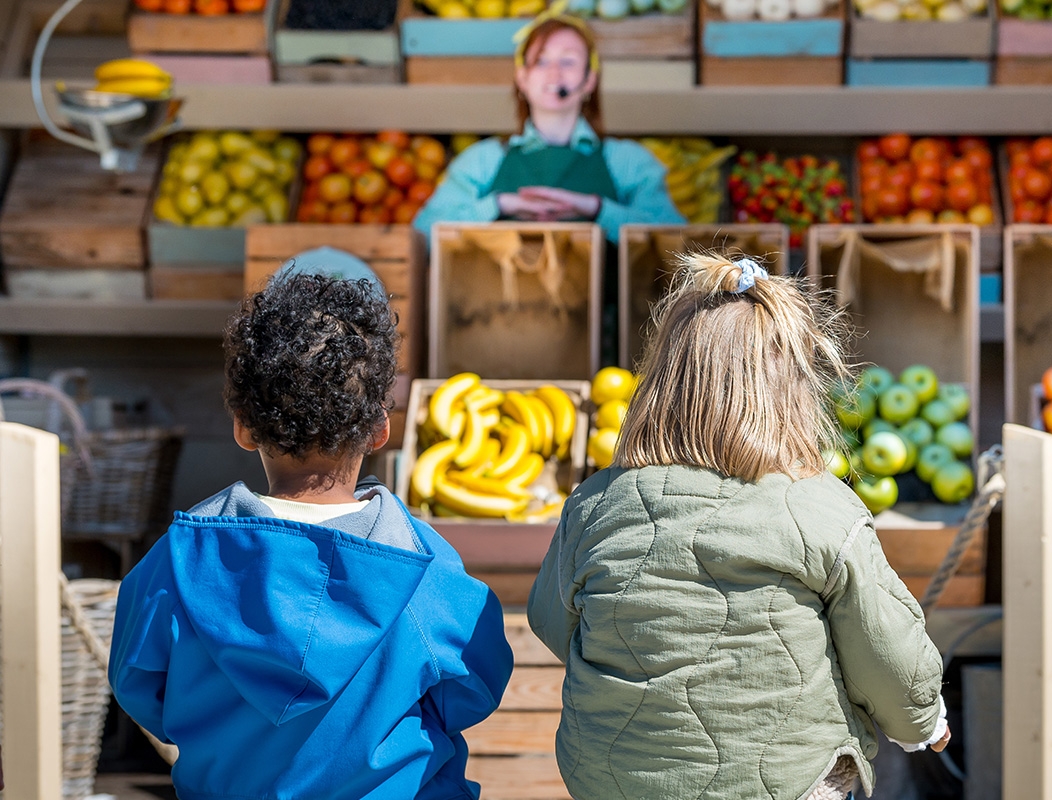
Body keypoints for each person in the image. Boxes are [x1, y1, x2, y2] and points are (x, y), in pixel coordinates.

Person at [526, 252, 951, 800]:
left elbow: (549, 621)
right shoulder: (822, 508)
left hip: (616, 783)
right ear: (795, 392)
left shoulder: (595, 504)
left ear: (658, 383)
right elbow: (886, 653)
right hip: (787, 784)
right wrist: (924, 719)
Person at [109, 270, 513, 800]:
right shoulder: (425, 571)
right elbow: (475, 689)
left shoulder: (178, 563)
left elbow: (140, 686)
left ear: (243, 426)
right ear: (380, 429)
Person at [413, 5, 684, 246]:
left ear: (589, 80)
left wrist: (598, 210)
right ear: (522, 78)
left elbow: (677, 242)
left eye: (568, 61)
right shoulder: (481, 161)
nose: (554, 73)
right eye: (541, 61)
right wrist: (498, 205)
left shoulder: (629, 162)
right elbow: (421, 235)